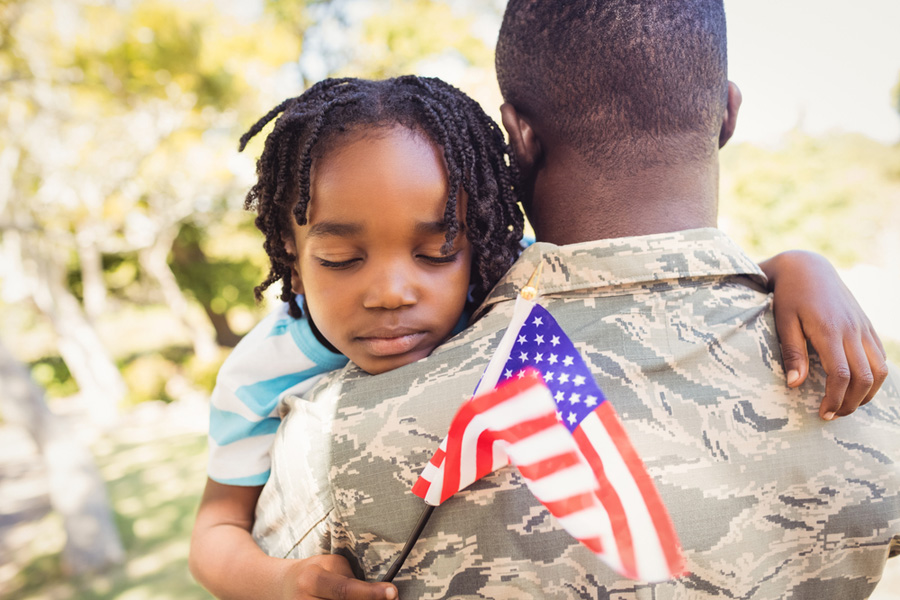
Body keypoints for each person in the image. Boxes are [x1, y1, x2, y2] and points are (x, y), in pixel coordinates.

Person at [249, 1, 900, 599]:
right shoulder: (859, 382)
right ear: (727, 114)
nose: (391, 292)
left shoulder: (335, 435)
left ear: (518, 136)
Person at [190, 74, 524, 600]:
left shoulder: (519, 284)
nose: (391, 294)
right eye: (341, 260)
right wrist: (282, 583)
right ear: (293, 261)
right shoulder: (258, 375)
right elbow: (212, 534)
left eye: (437, 252)